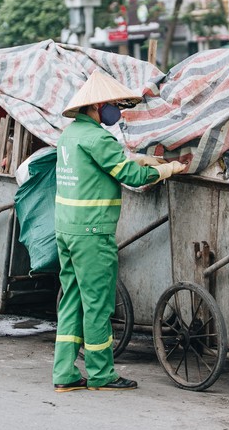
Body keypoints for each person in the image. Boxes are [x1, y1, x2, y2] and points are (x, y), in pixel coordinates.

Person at [53, 69, 185, 392]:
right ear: (96, 107)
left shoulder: (69, 136)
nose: (116, 109)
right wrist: (166, 168)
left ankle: (64, 374)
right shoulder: (98, 138)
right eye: (111, 104)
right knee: (98, 304)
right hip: (92, 233)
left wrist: (141, 160)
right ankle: (101, 374)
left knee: (72, 301)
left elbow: (114, 164)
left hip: (66, 231)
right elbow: (131, 177)